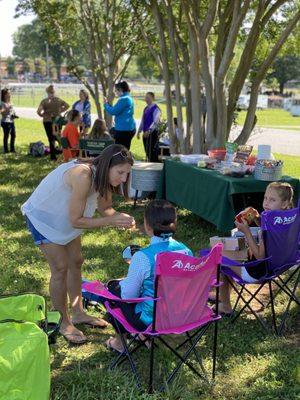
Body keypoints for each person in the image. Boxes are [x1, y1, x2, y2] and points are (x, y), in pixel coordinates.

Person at [21, 144, 136, 344]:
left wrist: (120, 217)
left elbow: (106, 209)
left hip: (66, 217)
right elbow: (76, 220)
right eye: (121, 172)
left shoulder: (103, 178)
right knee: (60, 267)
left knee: (76, 261)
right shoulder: (83, 175)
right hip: (44, 217)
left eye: (127, 173)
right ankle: (63, 322)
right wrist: (109, 221)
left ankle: (78, 313)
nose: (124, 179)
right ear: (107, 165)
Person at [105, 199, 193, 353]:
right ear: (175, 222)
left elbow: (128, 295)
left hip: (150, 320)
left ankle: (120, 343)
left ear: (147, 225)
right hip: (182, 315)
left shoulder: (143, 257)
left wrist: (122, 284)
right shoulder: (186, 251)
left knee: (112, 290)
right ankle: (143, 337)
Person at [218, 182, 294, 315]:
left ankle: (225, 305)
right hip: (279, 267)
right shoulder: (290, 220)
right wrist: (258, 219)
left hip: (257, 273)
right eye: (265, 198)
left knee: (219, 253)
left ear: (284, 203)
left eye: (272, 200)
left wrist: (246, 231)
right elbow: (269, 240)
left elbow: (259, 256)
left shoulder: (270, 224)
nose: (266, 203)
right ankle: (222, 297)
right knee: (231, 254)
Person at [37, 85, 69, 161]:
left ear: (47, 92)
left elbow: (39, 111)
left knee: (51, 138)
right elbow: (67, 105)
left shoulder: (44, 101)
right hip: (58, 120)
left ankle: (53, 156)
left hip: (47, 120)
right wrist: (60, 111)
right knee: (58, 136)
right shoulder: (58, 100)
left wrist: (42, 115)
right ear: (54, 92)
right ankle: (62, 151)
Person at [104, 81, 136, 150]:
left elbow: (113, 111)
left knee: (119, 151)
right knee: (125, 150)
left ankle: (123, 161)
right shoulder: (129, 98)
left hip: (123, 130)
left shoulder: (124, 99)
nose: (116, 92)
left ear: (121, 89)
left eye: (116, 90)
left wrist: (105, 104)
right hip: (128, 128)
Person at [137, 92, 161, 162]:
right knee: (147, 152)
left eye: (148, 98)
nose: (146, 99)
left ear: (153, 98)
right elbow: (143, 121)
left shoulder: (156, 109)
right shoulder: (145, 108)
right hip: (145, 133)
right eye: (145, 97)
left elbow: (155, 122)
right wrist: (139, 131)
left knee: (152, 153)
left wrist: (149, 131)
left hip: (152, 134)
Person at [0, 88, 18, 153]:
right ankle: (6, 149)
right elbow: (1, 111)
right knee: (6, 135)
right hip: (5, 122)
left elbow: (11, 111)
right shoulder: (2, 103)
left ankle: (12, 149)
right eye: (8, 93)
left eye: (10, 93)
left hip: (11, 121)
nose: (10, 94)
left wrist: (14, 114)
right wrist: (7, 108)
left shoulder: (10, 102)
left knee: (13, 135)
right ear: (4, 95)